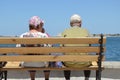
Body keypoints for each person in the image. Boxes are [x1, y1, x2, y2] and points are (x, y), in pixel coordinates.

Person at [17, 16, 50, 80]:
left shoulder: (22, 36)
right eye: (40, 25)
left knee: (30, 59)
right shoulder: (44, 36)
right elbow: (49, 51)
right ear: (37, 26)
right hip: (41, 64)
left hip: (26, 64)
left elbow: (18, 50)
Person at [61, 14, 91, 80]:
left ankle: (67, 79)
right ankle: (86, 78)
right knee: (87, 58)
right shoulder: (86, 32)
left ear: (70, 23)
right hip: (84, 63)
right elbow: (89, 46)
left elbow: (61, 48)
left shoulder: (65, 32)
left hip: (69, 63)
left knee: (65, 58)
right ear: (80, 23)